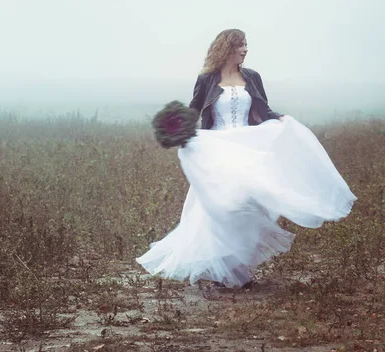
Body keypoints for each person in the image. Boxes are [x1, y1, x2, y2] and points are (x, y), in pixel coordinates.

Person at [136, 29, 356, 288]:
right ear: (226, 48)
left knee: (248, 203)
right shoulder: (207, 79)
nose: (245, 50)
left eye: (246, 45)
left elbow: (263, 109)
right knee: (222, 206)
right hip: (215, 150)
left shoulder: (252, 77)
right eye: (240, 45)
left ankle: (238, 268)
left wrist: (281, 120)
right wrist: (174, 129)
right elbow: (193, 111)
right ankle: (221, 268)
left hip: (246, 146)